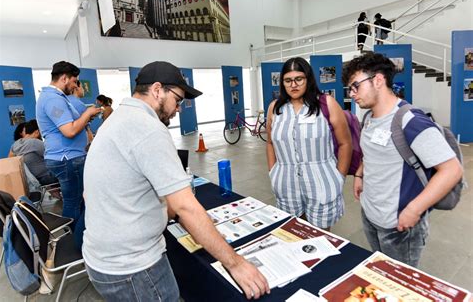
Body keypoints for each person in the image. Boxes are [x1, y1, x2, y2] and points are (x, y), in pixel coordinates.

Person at [83, 61, 270, 301]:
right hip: (134, 268)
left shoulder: (118, 118)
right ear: (157, 90)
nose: (179, 109)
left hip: (103, 259)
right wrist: (235, 264)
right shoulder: (147, 128)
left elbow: (95, 193)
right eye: (178, 100)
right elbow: (184, 206)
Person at [342, 52, 463, 267]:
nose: (352, 94)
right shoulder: (369, 117)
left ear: (378, 80)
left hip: (399, 225)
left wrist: (414, 210)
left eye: (355, 86)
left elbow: (452, 170)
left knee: (400, 283)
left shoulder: (411, 121)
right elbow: (371, 152)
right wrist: (360, 173)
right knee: (381, 271)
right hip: (371, 215)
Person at [265, 57, 352, 230]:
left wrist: (339, 178)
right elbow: (269, 143)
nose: (293, 85)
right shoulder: (275, 108)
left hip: (321, 182)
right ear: (282, 83)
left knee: (320, 236)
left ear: (308, 79)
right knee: (293, 232)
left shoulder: (326, 103)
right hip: (286, 184)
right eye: (288, 80)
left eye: (299, 79)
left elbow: (345, 143)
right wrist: (273, 172)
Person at [35, 61, 102, 228]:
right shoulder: (52, 99)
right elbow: (69, 131)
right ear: (64, 78)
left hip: (68, 157)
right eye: (74, 81)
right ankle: (73, 241)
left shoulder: (57, 98)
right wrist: (87, 113)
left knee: (76, 201)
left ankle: (78, 235)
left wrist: (86, 117)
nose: (74, 86)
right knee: (74, 202)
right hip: (68, 159)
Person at [9, 120, 57, 185]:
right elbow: (54, 156)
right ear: (37, 132)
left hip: (30, 180)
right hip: (46, 178)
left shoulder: (15, 144)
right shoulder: (35, 142)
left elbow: (10, 160)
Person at [68, 80, 94, 145]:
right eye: (82, 87)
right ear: (77, 87)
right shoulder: (79, 104)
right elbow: (86, 128)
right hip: (80, 143)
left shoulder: (65, 101)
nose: (83, 90)